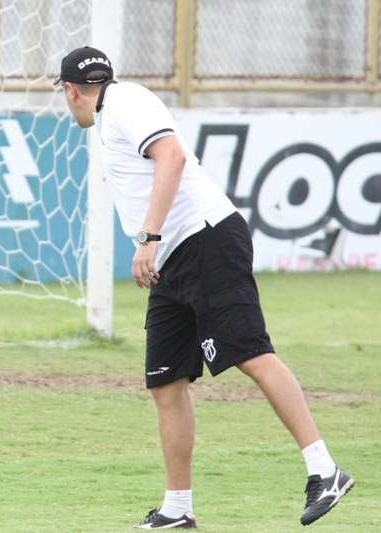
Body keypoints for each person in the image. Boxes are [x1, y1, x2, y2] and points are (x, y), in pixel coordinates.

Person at [55, 46, 353, 528]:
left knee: (251, 353)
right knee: (166, 382)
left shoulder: (124, 101)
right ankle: (178, 508)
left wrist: (147, 238)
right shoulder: (116, 111)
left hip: (206, 240)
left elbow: (171, 154)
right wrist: (156, 245)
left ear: (70, 91)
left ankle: (326, 469)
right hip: (174, 262)